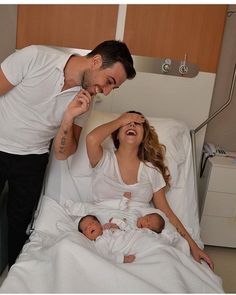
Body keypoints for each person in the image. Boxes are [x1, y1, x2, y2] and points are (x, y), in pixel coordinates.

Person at [0, 40, 136, 267]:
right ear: (96, 61)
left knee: (19, 226)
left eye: (114, 88)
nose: (107, 91)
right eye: (109, 82)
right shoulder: (35, 57)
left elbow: (64, 153)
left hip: (32, 160)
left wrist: (67, 120)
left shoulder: (85, 101)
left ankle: (13, 278)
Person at [86, 110, 215, 270]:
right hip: (103, 230)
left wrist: (193, 246)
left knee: (163, 265)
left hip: (139, 234)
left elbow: (167, 212)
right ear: (117, 134)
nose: (132, 124)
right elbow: (91, 139)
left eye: (138, 123)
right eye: (127, 122)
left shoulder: (151, 170)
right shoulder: (103, 159)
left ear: (143, 138)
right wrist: (121, 120)